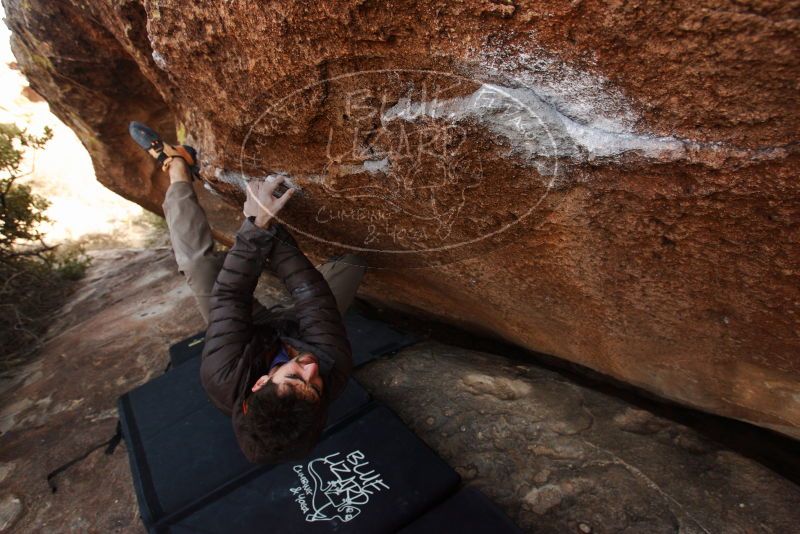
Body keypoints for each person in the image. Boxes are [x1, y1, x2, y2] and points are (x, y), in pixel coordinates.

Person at [128, 122, 366, 463]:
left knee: (197, 266)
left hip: (246, 330)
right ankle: (258, 254)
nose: (312, 370)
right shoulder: (332, 369)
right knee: (354, 263)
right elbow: (311, 296)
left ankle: (176, 164)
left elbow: (231, 299)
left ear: (259, 384)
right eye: (314, 387)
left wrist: (255, 226)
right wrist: (266, 225)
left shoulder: (222, 376)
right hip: (300, 327)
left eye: (297, 376)